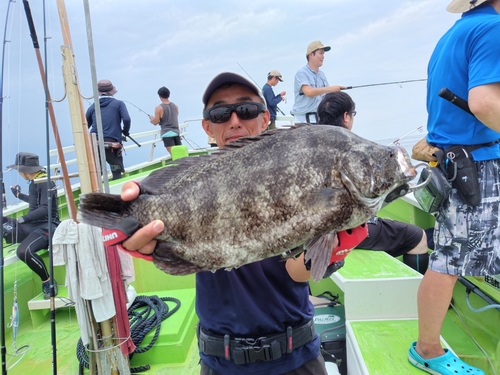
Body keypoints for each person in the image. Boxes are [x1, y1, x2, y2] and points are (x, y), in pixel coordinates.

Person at [117, 72, 369, 375]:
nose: (234, 121)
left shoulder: (295, 169)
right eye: (220, 113)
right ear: (207, 127)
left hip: (296, 357)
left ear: (264, 118)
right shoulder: (190, 184)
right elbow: (150, 210)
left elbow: (295, 272)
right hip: (220, 363)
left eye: (246, 110)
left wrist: (332, 249)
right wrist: (141, 235)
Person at [407, 0, 500, 374]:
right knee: (447, 262)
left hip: (452, 162)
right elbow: (483, 101)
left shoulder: (451, 36)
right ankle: (427, 350)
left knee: (447, 257)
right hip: (477, 165)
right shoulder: (491, 29)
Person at [317, 91, 430, 274]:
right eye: (352, 114)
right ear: (346, 116)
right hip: (346, 230)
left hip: (317, 228)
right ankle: (414, 298)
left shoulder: (314, 146)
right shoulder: (352, 149)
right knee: (417, 237)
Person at [4, 152, 60, 299]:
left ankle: (47, 282)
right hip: (33, 226)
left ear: (24, 170)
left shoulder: (45, 182)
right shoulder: (37, 181)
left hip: (47, 227)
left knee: (23, 251)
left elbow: (44, 209)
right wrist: (19, 196)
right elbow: (36, 202)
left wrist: (21, 220)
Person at [291, 40, 346, 124]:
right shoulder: (301, 73)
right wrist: (330, 88)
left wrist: (337, 92)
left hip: (320, 121)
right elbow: (308, 92)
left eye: (323, 54)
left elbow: (327, 95)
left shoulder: (322, 75)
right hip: (303, 122)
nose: (323, 56)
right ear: (311, 55)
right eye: (320, 53)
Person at [86, 79, 131, 180]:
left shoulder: (93, 106)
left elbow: (85, 124)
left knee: (97, 173)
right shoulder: (119, 104)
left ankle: (97, 193)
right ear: (111, 91)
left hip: (95, 143)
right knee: (116, 171)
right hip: (112, 143)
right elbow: (127, 119)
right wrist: (126, 131)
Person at [149, 86, 182, 155]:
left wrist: (151, 119)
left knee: (174, 155)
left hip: (167, 134)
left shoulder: (159, 108)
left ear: (159, 96)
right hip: (176, 133)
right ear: (169, 95)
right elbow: (175, 116)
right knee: (179, 154)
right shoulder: (175, 106)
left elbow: (155, 122)